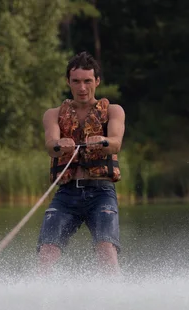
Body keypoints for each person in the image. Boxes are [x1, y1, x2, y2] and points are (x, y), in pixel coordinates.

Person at [36, 51, 125, 276]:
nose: (82, 87)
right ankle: (39, 300)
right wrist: (59, 143)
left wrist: (102, 140)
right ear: (68, 82)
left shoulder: (114, 111)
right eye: (76, 81)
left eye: (87, 81)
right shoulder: (53, 115)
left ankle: (116, 299)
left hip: (101, 192)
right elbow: (50, 144)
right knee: (46, 252)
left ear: (97, 81)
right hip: (67, 194)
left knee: (107, 249)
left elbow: (115, 143)